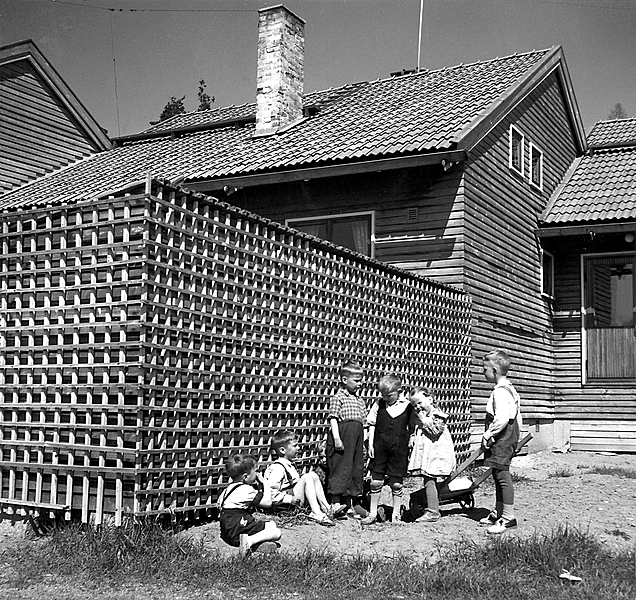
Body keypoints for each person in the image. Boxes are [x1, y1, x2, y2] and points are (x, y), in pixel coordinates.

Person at [480, 349, 523, 534]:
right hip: (508, 435)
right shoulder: (510, 388)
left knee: (503, 475)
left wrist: (488, 434)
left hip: (502, 435)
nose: (483, 373)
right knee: (497, 473)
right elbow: (518, 417)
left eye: (485, 369)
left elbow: (502, 418)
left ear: (495, 370)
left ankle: (508, 518)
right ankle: (499, 511)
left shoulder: (500, 391)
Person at [362, 372, 414, 525]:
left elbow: (413, 427)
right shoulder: (379, 404)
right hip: (380, 448)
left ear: (399, 391)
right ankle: (372, 513)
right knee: (376, 482)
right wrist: (370, 444)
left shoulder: (408, 407)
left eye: (389, 395)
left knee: (396, 483)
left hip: (399, 450)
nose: (385, 398)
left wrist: (412, 439)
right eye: (383, 395)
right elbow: (371, 424)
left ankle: (396, 515)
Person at [265, 430, 346, 526]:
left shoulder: (289, 465)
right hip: (284, 507)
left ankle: (326, 508)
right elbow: (271, 493)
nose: (298, 448)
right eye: (295, 446)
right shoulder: (277, 468)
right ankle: (316, 513)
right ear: (283, 450)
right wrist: (289, 499)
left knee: (313, 475)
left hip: (294, 503)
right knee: (307, 477)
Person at [407, 387, 457, 523]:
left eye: (420, 402)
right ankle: (432, 508)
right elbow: (416, 428)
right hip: (428, 454)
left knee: (429, 479)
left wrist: (423, 420)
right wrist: (412, 436)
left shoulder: (437, 415)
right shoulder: (421, 416)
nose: (418, 407)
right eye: (414, 405)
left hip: (437, 455)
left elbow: (435, 431)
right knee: (427, 479)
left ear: (430, 399)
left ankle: (433, 511)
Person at [217, 454, 282, 557]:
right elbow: (268, 503)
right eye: (256, 471)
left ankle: (253, 543)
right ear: (245, 477)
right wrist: (265, 483)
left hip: (227, 531)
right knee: (277, 532)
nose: (257, 474)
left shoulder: (227, 490)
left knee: (271, 524)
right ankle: (249, 541)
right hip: (238, 527)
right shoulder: (246, 489)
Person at [326, 360, 367, 517]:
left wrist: (365, 443)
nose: (360, 384)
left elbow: (363, 424)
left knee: (355, 468)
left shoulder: (359, 400)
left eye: (360, 380)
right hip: (343, 436)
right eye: (356, 381)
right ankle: (336, 503)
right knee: (340, 467)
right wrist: (336, 438)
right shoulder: (338, 397)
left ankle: (349, 504)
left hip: (356, 438)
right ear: (344, 380)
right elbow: (334, 418)